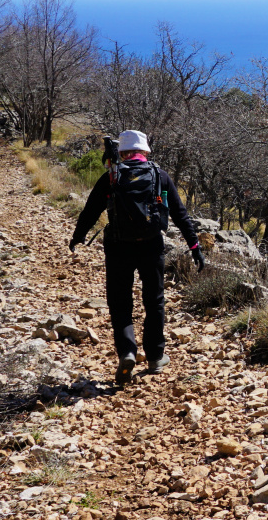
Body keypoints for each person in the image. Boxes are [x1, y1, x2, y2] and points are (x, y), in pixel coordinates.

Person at [69, 130, 204, 385]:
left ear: (121, 152)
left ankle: (127, 352)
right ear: (145, 151)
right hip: (151, 245)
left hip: (118, 245)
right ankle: (155, 358)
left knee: (120, 303)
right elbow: (179, 213)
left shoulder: (111, 176)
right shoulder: (159, 175)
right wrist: (194, 246)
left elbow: (90, 210)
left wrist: (77, 237)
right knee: (154, 300)